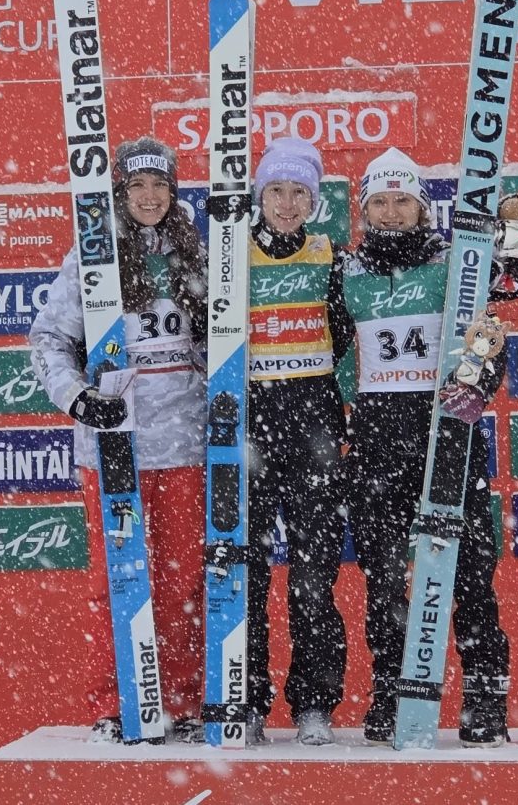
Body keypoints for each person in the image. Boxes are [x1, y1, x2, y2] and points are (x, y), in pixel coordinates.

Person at [339, 146, 518, 747]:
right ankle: (394, 694)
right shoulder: (346, 272)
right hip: (377, 443)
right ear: (364, 210)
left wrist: (479, 385)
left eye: (403, 200)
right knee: (385, 579)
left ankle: (485, 699)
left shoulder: (455, 262)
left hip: (447, 436)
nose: (392, 212)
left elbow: (493, 323)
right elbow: (331, 351)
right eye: (380, 202)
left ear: (423, 208)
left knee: (469, 575)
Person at [28, 137, 208, 744]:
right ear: (119, 194)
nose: (149, 197)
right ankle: (117, 703)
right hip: (114, 445)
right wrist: (76, 397)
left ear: (173, 192)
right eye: (137, 186)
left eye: (160, 185)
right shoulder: (92, 256)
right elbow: (49, 339)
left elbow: (218, 344)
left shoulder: (196, 253)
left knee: (183, 584)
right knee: (121, 582)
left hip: (184, 443)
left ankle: (180, 701)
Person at [244, 136, 354, 745]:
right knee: (248, 574)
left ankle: (314, 703)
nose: (287, 204)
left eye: (299, 193)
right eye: (276, 192)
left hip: (314, 431)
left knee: (313, 577)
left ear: (314, 201)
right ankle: (247, 700)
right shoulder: (231, 255)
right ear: (260, 197)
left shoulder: (329, 256)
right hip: (252, 431)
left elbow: (345, 337)